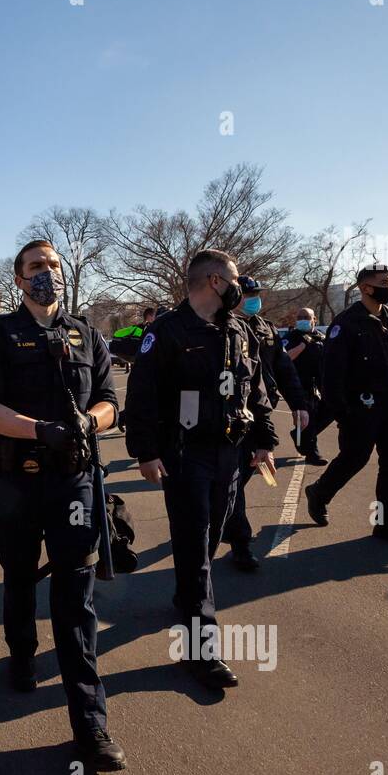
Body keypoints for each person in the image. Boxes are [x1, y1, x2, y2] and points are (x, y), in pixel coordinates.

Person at [0, 239, 124, 771]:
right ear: (18, 280)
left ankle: (91, 723)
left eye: (53, 266)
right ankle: (20, 653)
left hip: (75, 483)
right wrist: (42, 430)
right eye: (37, 267)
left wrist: (88, 423)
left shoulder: (87, 334)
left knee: (76, 600)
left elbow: (109, 401)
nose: (48, 275)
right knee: (18, 578)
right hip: (18, 481)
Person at [125, 250, 276, 690]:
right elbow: (143, 397)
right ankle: (201, 651)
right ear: (213, 281)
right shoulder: (167, 332)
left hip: (229, 454)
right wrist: (145, 452)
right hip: (184, 455)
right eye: (233, 280)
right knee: (194, 547)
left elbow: (256, 389)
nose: (241, 289)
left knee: (209, 540)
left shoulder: (238, 331)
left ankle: (186, 597)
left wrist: (264, 441)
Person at [303, 263, 388, 548]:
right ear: (365, 287)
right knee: (354, 459)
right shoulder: (346, 324)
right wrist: (343, 413)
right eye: (384, 281)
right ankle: (319, 493)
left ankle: (387, 523)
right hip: (362, 408)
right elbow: (331, 375)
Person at [221, 276, 310, 571]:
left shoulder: (266, 328)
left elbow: (284, 370)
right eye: (247, 294)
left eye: (256, 294)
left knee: (239, 480)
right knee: (234, 480)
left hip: (260, 411)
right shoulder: (221, 327)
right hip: (231, 415)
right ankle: (240, 543)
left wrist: (299, 403)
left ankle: (224, 522)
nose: (253, 298)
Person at [283, 307, 331, 465]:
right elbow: (285, 359)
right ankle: (313, 454)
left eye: (306, 317)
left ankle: (300, 435)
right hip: (297, 384)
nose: (302, 319)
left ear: (314, 320)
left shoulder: (322, 338)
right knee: (307, 414)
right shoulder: (291, 337)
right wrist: (303, 344)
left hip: (320, 383)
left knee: (330, 410)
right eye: (300, 317)